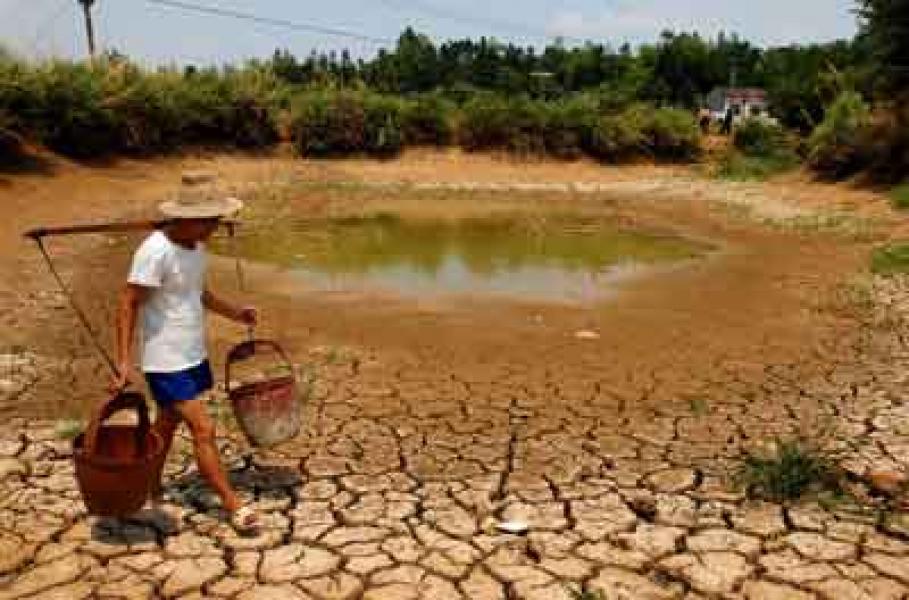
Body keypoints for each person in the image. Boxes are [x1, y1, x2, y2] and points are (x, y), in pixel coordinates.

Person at [111, 172, 258, 531]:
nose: (215, 227)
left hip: (192, 354)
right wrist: (124, 362)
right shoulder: (154, 251)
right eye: (209, 220)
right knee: (203, 429)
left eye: (216, 220)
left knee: (166, 425)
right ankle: (233, 506)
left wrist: (236, 314)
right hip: (165, 360)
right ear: (186, 218)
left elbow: (199, 294)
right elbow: (128, 302)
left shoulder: (196, 247)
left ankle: (147, 488)